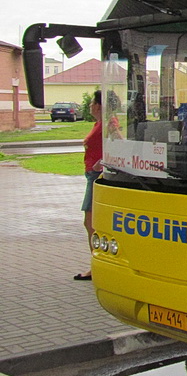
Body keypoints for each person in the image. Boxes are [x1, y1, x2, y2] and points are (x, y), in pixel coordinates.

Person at [75, 90, 103, 281]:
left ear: (99, 105)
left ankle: (96, 265)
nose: (90, 105)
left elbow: (117, 142)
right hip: (90, 174)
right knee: (89, 221)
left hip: (96, 176)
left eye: (92, 102)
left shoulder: (109, 124)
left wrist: (102, 161)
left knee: (90, 222)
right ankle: (96, 264)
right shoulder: (98, 124)